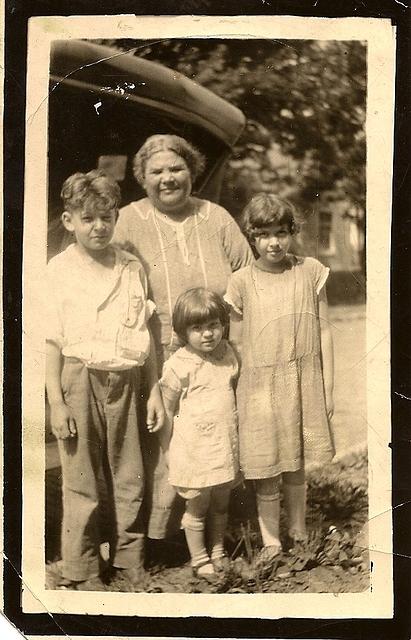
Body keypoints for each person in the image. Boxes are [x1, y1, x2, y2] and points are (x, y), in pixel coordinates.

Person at [112, 134, 253, 540]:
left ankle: (217, 534)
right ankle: (161, 539)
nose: (168, 178)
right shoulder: (127, 220)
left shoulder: (217, 217)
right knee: (163, 443)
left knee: (217, 436)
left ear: (192, 171)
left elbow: (247, 278)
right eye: (156, 171)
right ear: (142, 178)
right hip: (155, 358)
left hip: (218, 354)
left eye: (176, 168)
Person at [45, 170, 164, 591]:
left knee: (129, 472)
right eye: (88, 218)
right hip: (78, 378)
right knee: (81, 476)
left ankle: (130, 559)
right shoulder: (59, 270)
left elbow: (143, 334)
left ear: (115, 219)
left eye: (106, 218)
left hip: (127, 379)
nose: (98, 227)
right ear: (69, 221)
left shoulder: (131, 267)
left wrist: (153, 393)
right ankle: (82, 567)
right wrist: (56, 401)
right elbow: (52, 340)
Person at [225, 193, 335, 566]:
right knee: (266, 463)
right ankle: (271, 540)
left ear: (292, 233)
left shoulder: (309, 271)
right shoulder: (240, 282)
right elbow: (236, 344)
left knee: (296, 460)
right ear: (252, 237)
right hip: (258, 387)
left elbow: (325, 331)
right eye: (264, 234)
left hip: (302, 379)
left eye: (281, 232)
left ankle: (299, 530)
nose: (274, 242)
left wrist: (329, 386)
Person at [159, 288, 239, 580]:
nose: (207, 334)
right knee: (198, 503)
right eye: (198, 328)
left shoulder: (228, 354)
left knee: (221, 501)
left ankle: (218, 552)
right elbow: (166, 410)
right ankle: (199, 558)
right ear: (183, 331)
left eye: (213, 326)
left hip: (224, 444)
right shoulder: (179, 364)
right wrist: (167, 451)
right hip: (194, 449)